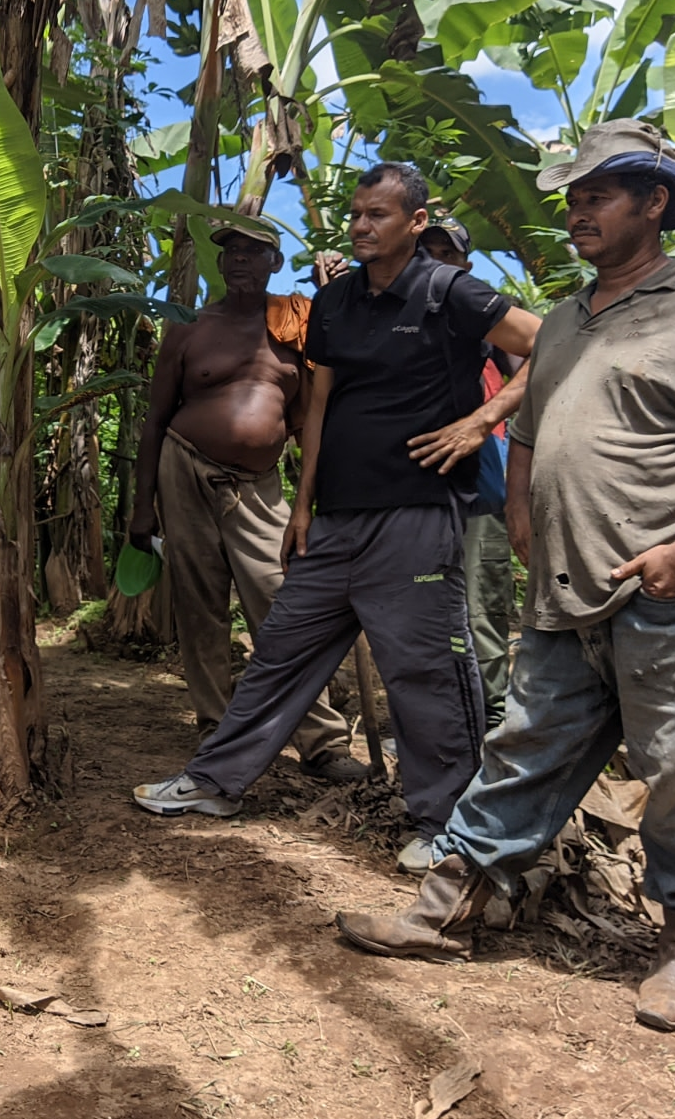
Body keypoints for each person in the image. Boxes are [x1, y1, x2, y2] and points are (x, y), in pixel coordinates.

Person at [336, 121, 675, 1035]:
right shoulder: (561, 320)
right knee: (524, 747)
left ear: (654, 203)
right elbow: (525, 429)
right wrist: (521, 513)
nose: (577, 212)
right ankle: (449, 905)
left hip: (671, 591)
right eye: (572, 197)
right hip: (565, 590)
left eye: (598, 194)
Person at [133, 163, 541, 874]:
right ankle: (216, 781)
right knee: (280, 651)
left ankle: (445, 820)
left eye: (377, 215)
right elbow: (316, 406)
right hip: (338, 518)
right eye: (356, 214)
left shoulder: (448, 290)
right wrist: (301, 505)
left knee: (424, 673)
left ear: (415, 224)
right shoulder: (335, 303)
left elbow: (547, 342)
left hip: (416, 511)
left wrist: (483, 420)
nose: (360, 226)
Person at [126, 222, 365, 785]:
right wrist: (142, 508)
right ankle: (215, 724)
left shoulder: (297, 322)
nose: (239, 260)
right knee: (199, 605)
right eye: (230, 251)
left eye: (252, 252)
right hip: (183, 468)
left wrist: (318, 497)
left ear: (275, 263)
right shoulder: (189, 328)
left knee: (284, 603)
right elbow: (155, 420)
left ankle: (320, 740)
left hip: (259, 486)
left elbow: (316, 413)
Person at [416, 221, 525, 730]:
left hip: (481, 491)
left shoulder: (488, 322)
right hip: (417, 495)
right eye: (428, 251)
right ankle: (435, 718)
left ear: (465, 266)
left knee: (482, 610)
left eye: (447, 253)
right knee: (423, 609)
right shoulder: (400, 318)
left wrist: (485, 418)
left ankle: (492, 717)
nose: (437, 260)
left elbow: (543, 354)